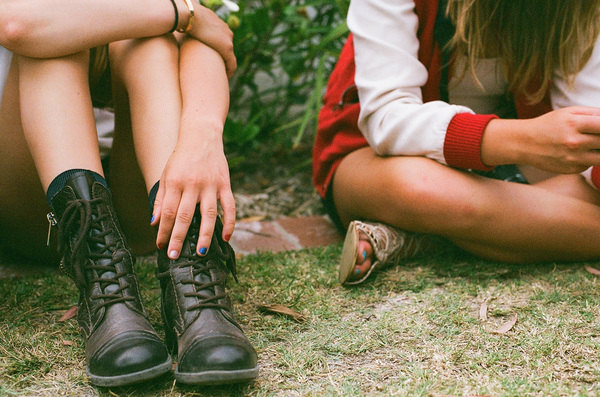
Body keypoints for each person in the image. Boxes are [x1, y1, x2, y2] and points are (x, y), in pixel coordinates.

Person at [0, 0, 258, 387]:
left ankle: (190, 275)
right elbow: (17, 25)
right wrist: (181, 12)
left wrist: (201, 135)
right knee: (50, 38)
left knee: (151, 43)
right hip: (41, 210)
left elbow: (210, 41)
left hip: (145, 215)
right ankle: (103, 283)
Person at [313, 0, 600, 286]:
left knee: (586, 177)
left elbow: (587, 131)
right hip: (377, 158)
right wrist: (523, 139)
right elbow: (387, 119)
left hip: (512, 169)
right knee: (419, 188)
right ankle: (482, 224)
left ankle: (424, 236)